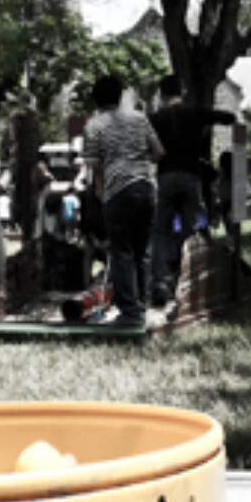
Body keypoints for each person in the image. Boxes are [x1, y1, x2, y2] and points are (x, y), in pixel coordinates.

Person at [83, 73, 165, 328]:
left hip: (117, 190)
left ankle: (130, 312)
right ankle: (142, 304)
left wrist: (101, 190)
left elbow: (95, 166)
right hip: (147, 187)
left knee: (122, 251)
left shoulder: (94, 125)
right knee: (142, 251)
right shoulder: (140, 118)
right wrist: (140, 165)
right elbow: (159, 151)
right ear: (120, 96)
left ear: (96, 100)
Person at [148, 74, 236, 303]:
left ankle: (160, 281)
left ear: (161, 95)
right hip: (191, 176)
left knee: (160, 231)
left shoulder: (155, 118)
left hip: (166, 176)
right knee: (191, 231)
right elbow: (229, 117)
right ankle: (190, 280)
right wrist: (203, 127)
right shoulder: (195, 112)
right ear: (183, 92)